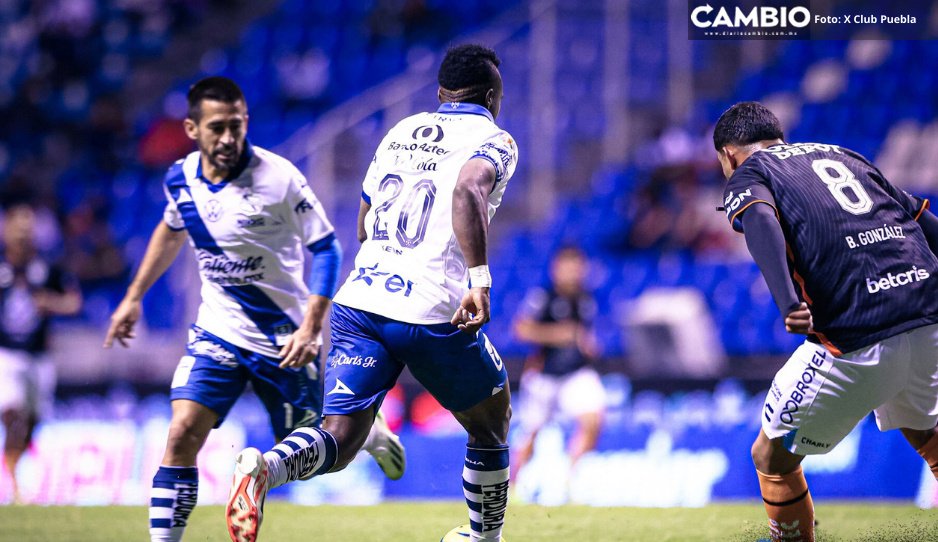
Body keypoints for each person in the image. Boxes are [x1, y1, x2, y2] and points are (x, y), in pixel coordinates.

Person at [225, 44, 518, 542]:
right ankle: (482, 538)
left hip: (360, 301)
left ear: (442, 92)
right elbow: (468, 187)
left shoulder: (400, 131)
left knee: (340, 438)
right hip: (432, 310)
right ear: (493, 96)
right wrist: (479, 280)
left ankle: (262, 470)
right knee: (492, 420)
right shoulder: (494, 139)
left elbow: (362, 224)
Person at [103, 76, 403, 542]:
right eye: (218, 127)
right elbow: (170, 229)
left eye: (237, 126)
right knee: (181, 434)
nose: (229, 138)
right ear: (191, 129)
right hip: (217, 332)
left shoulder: (279, 177)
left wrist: (310, 325)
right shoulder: (180, 179)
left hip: (285, 339)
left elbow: (327, 249)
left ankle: (371, 435)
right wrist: (134, 296)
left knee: (315, 457)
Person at [715, 101, 938, 542]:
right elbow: (918, 217)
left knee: (771, 458)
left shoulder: (749, 173)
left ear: (728, 155)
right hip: (929, 313)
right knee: (927, 433)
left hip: (860, 335)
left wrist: (787, 300)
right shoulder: (841, 154)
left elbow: (760, 218)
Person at [0, 199, 82, 505]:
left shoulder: (48, 269)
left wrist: (52, 303)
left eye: (27, 229)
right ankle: (14, 486)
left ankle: (16, 472)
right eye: (17, 228)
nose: (22, 235)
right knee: (14, 414)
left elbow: (74, 301)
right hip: (6, 356)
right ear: (6, 231)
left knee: (33, 421)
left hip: (39, 358)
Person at [511, 246, 603, 491]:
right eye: (567, 268)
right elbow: (521, 329)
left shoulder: (586, 299)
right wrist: (558, 335)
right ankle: (512, 485)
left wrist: (586, 343)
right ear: (556, 270)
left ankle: (570, 480)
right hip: (544, 375)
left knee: (593, 418)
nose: (572, 273)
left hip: (576, 373)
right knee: (532, 433)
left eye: (577, 267)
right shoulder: (543, 297)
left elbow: (581, 334)